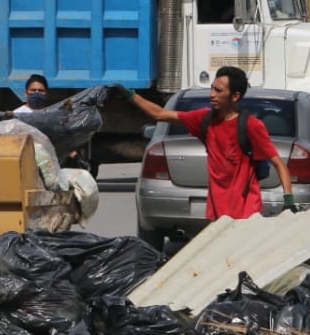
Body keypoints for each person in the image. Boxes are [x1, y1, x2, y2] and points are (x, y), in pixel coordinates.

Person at [114, 65, 296, 219]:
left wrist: (288, 202)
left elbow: (278, 164)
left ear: (235, 96)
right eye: (212, 88)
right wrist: (130, 95)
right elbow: (159, 114)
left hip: (245, 214)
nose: (212, 95)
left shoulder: (251, 126)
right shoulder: (204, 119)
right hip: (216, 214)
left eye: (218, 91)